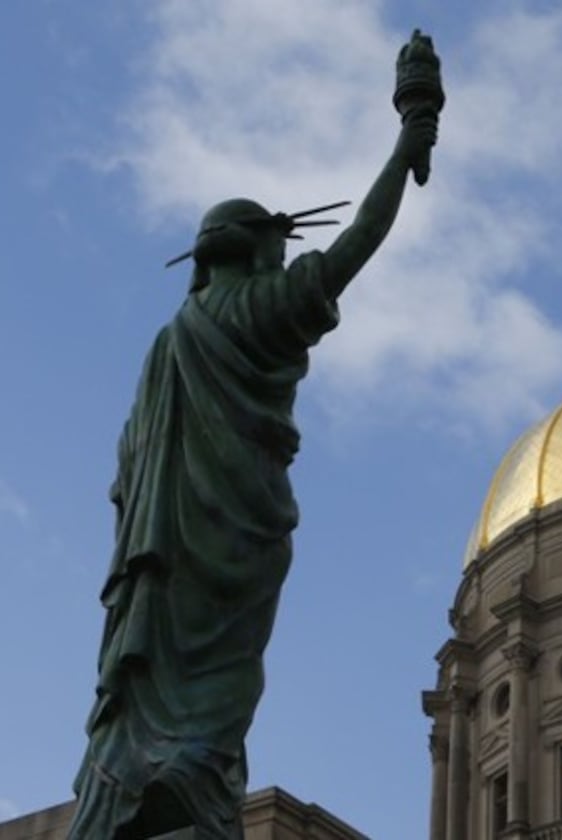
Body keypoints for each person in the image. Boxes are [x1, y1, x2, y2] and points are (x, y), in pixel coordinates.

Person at [65, 97, 438, 840]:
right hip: (235, 534)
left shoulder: (173, 339)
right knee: (224, 686)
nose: (280, 250)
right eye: (272, 237)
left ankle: (146, 782)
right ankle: (186, 784)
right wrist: (409, 140)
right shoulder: (259, 310)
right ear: (251, 248)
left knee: (170, 684)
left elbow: (124, 469)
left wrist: (142, 523)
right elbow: (355, 245)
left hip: (157, 550)